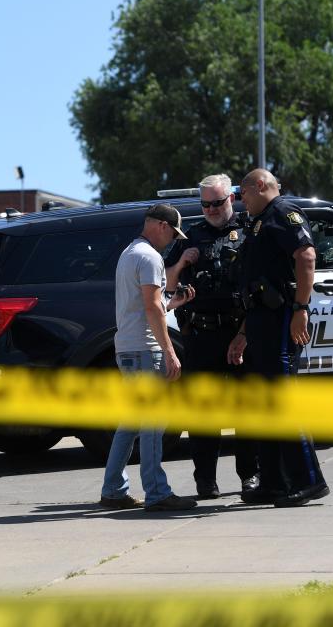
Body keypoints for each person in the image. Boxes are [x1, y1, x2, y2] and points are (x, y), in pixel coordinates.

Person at [228, 169, 330, 508]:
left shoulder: (284, 213)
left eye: (242, 194)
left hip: (281, 318)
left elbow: (306, 256)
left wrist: (301, 306)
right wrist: (243, 332)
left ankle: (308, 481)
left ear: (259, 186)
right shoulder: (260, 220)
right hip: (260, 321)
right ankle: (273, 482)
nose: (241, 202)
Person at [165, 174, 260, 500]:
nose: (211, 209)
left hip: (239, 333)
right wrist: (181, 262)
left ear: (230, 198)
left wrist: (245, 333)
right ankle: (205, 481)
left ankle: (250, 475)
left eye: (217, 202)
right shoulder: (191, 237)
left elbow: (260, 285)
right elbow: (167, 285)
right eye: (205, 204)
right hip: (201, 334)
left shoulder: (250, 232)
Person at [99, 203, 199, 512]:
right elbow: (152, 307)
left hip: (128, 348)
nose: (171, 241)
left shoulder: (130, 253)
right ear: (161, 226)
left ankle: (113, 489)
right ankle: (157, 493)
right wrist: (169, 351)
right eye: (172, 234)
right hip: (145, 351)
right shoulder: (150, 257)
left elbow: (148, 306)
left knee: (131, 423)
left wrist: (173, 304)